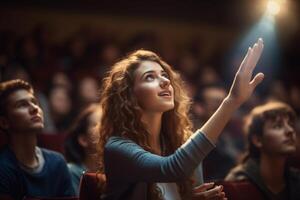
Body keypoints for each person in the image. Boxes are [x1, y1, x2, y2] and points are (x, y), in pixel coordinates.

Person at [97, 37, 264, 200]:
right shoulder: (117, 147)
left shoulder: (180, 142)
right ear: (129, 96)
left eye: (164, 75)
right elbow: (172, 168)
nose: (164, 81)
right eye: (149, 77)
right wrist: (231, 101)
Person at [0, 79, 75, 200]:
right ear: (4, 122)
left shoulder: (57, 162)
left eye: (35, 102)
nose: (34, 108)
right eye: (22, 104)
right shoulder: (3, 168)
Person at [225, 101, 300, 199]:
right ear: (258, 140)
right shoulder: (237, 184)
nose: (290, 130)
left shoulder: (296, 179)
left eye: (290, 124)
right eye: (278, 126)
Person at [64, 103, 102, 194]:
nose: (106, 128)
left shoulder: (118, 173)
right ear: (83, 140)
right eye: (96, 124)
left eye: (108, 123)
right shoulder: (71, 172)